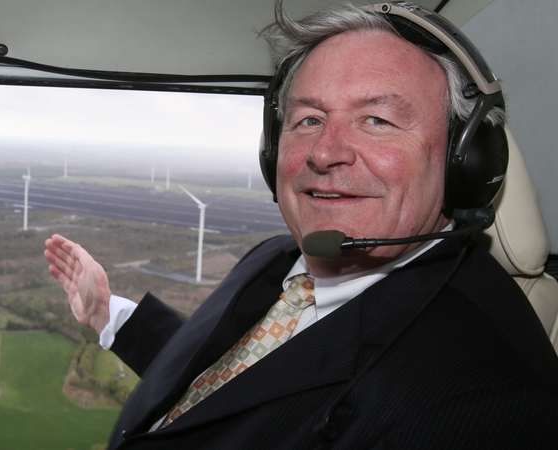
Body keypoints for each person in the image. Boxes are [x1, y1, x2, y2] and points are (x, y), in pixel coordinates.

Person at [44, 2, 558, 448]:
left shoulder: (484, 399)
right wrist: (110, 314)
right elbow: (237, 382)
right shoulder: (279, 258)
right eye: (309, 119)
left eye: (377, 120)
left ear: (464, 161)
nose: (325, 152)